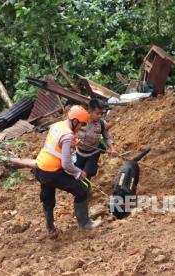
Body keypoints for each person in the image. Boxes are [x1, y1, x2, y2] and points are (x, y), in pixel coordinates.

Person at [34, 105, 102, 236]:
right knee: (81, 190)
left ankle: (50, 229)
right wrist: (78, 172)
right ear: (75, 121)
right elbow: (66, 164)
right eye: (81, 124)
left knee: (47, 196)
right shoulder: (67, 136)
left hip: (40, 167)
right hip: (53, 172)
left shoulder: (57, 125)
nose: (81, 127)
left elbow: (55, 146)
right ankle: (85, 224)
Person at [75, 99, 117, 181]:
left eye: (101, 113)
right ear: (90, 111)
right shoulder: (80, 122)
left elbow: (107, 136)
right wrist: (74, 141)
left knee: (87, 173)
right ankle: (85, 190)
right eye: (97, 113)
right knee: (79, 174)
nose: (100, 116)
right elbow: (71, 133)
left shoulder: (101, 123)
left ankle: (85, 190)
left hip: (93, 152)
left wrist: (112, 149)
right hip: (80, 153)